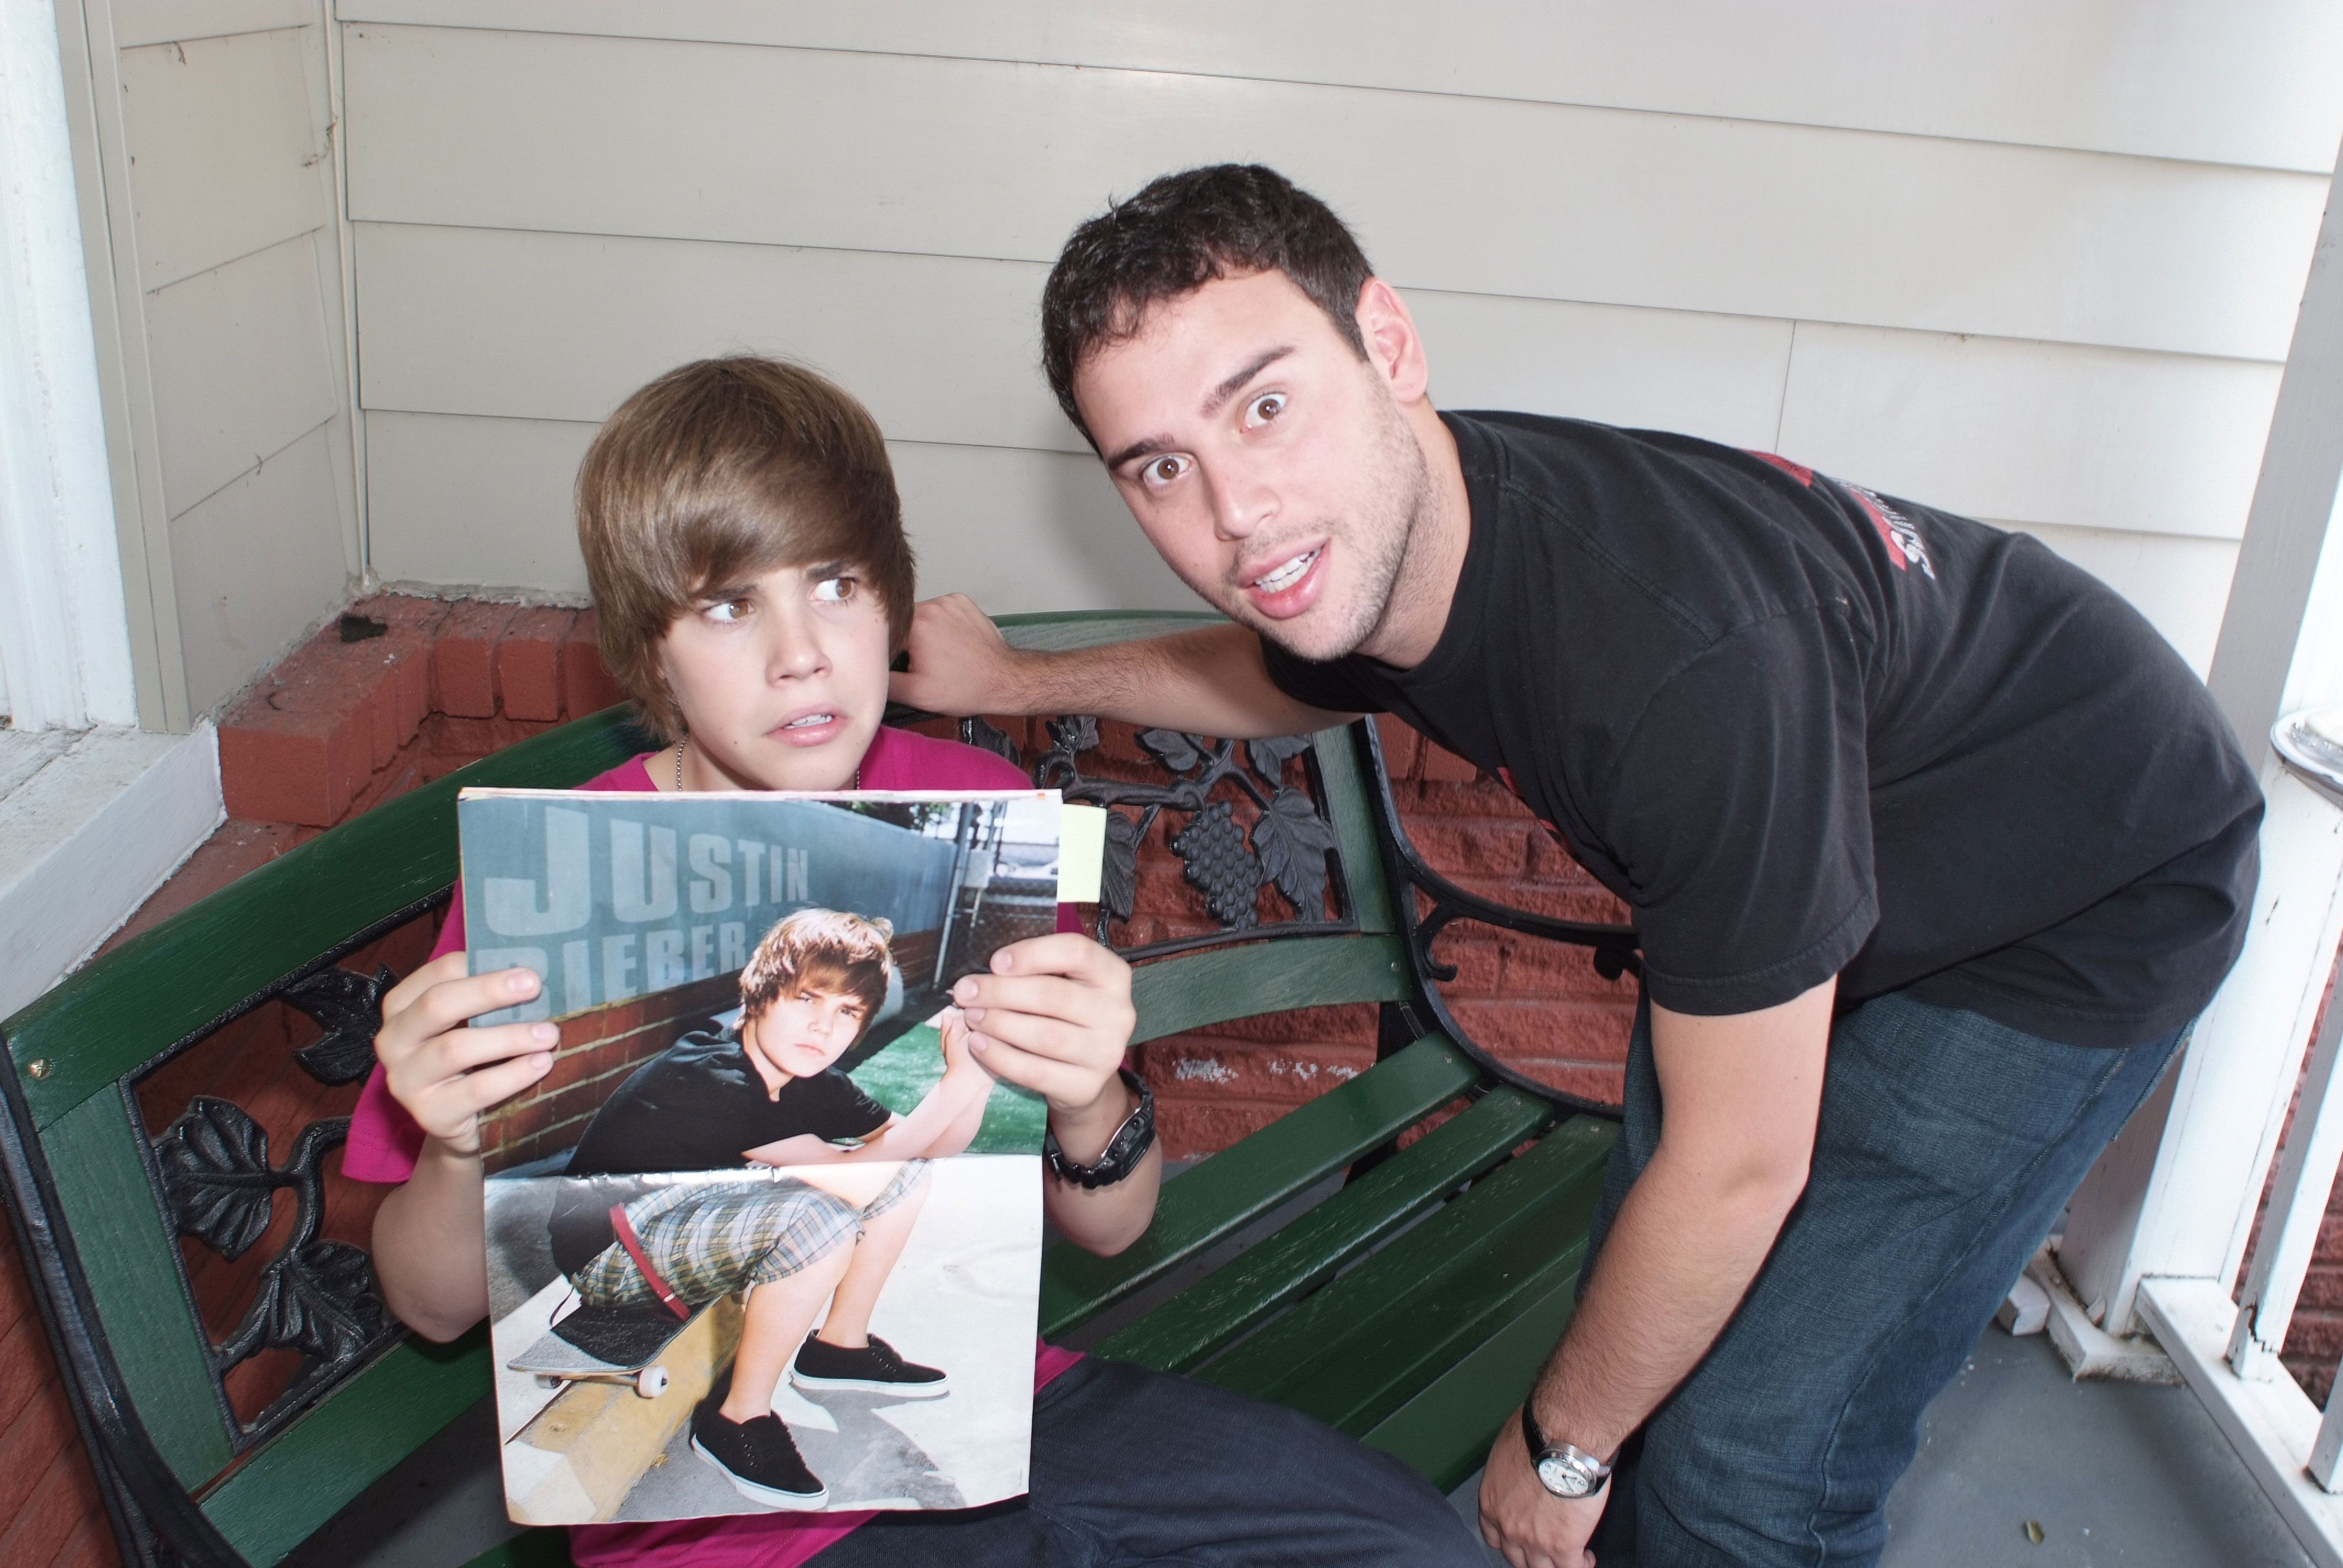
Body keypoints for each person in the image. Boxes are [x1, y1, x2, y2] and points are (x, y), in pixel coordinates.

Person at [890, 164, 2265, 1568]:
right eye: (1162, 467)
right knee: (1661, 1328)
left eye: (1264, 402)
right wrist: (1016, 672)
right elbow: (1282, 680)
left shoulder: (1679, 668)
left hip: (2081, 888)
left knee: (1747, 1465)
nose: (1236, 509)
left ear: (1391, 345)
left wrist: (1557, 1448)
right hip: (1853, 847)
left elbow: (1738, 1167)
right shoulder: (1396, 522)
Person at [349, 354, 1489, 1566]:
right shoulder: (554, 870)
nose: (803, 654)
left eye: (835, 584)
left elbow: (1110, 1228)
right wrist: (462, 1141)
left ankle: (837, 1343)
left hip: (1012, 1417)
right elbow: (428, 1303)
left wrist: (1089, 1093)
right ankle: (760, 1408)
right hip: (717, 1526)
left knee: (1411, 1545)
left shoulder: (975, 810)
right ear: (652, 648)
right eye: (730, 605)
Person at [548, 907, 990, 1509]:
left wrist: (979, 1069)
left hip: (691, 1212)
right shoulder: (713, 1074)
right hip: (609, 1251)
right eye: (806, 998)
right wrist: (954, 1088)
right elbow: (852, 1183)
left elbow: (929, 1146)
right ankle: (736, 1419)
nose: (822, 1027)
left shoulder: (807, 1073)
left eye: (845, 1013)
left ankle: (840, 1346)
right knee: (821, 1214)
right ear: (759, 995)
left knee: (903, 1176)